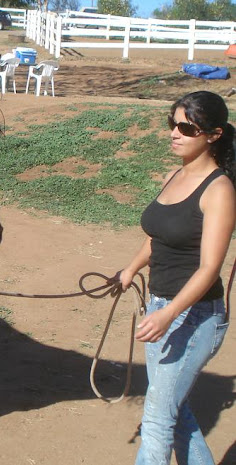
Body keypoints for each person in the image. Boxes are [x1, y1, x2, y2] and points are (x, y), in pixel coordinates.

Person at [118, 90, 235, 465]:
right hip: (161, 306)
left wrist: (168, 316)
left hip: (196, 316)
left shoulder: (219, 191)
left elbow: (209, 269)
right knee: (175, 412)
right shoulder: (173, 176)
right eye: (173, 123)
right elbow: (157, 236)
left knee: (156, 418)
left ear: (213, 134)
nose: (175, 133)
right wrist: (131, 268)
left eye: (186, 127)